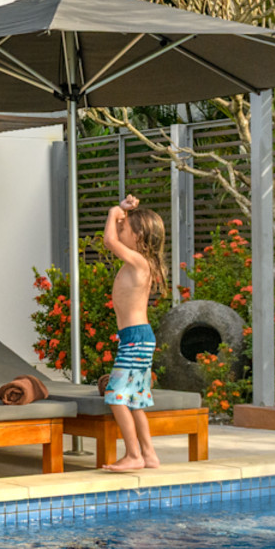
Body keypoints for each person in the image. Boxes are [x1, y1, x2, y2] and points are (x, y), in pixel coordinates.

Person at [100, 193, 167, 473]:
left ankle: (133, 455)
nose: (119, 230)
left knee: (116, 396)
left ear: (139, 236)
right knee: (135, 400)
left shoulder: (138, 263)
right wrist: (123, 213)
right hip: (137, 338)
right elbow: (115, 235)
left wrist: (115, 208)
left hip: (136, 339)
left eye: (125, 228)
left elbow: (109, 241)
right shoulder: (139, 262)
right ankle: (149, 455)